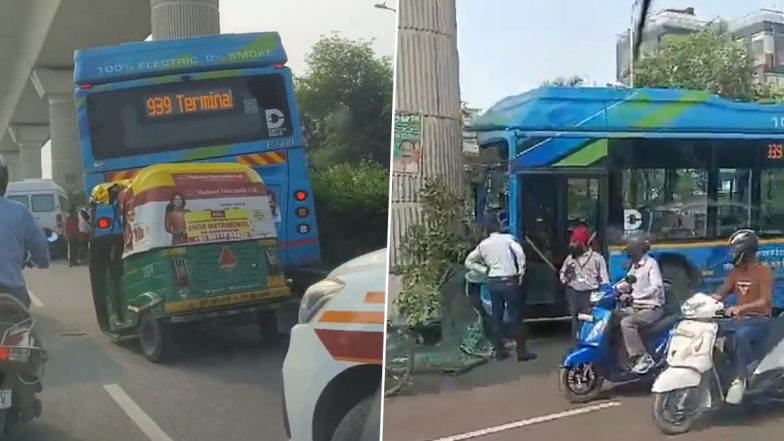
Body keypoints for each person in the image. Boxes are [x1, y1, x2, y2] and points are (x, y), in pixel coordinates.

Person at [710, 229, 772, 405]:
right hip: (739, 321)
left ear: (747, 250)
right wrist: (703, 303)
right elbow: (720, 293)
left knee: (741, 335)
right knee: (713, 334)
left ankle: (741, 378)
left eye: (736, 249)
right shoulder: (736, 272)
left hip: (759, 321)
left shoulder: (763, 271)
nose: (733, 253)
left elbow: (765, 301)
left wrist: (741, 308)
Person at [465, 217, 537, 362]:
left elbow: (469, 261)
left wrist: (483, 269)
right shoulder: (508, 239)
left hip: (493, 281)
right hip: (510, 281)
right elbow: (520, 253)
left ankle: (500, 351)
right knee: (515, 316)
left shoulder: (483, 245)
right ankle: (521, 352)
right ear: (498, 228)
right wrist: (521, 271)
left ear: (487, 231)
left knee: (496, 317)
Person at [0, 154, 50, 307]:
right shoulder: (19, 211)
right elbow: (40, 245)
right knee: (23, 327)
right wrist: (40, 261)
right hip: (10, 293)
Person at [615, 232, 665, 374]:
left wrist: (635, 297)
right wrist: (613, 290)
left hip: (651, 309)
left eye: (630, 248)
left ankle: (643, 357)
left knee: (627, 323)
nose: (628, 251)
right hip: (636, 307)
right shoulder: (635, 266)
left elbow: (657, 287)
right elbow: (628, 281)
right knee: (612, 317)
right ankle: (622, 356)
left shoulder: (651, 264)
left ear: (637, 249)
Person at [560, 225, 610, 342]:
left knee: (589, 322)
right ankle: (577, 346)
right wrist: (566, 276)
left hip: (591, 294)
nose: (571, 245)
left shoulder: (597, 259)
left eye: (574, 242)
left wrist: (602, 295)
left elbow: (604, 279)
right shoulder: (570, 259)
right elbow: (562, 277)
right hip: (574, 294)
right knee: (575, 322)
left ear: (582, 244)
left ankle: (589, 346)